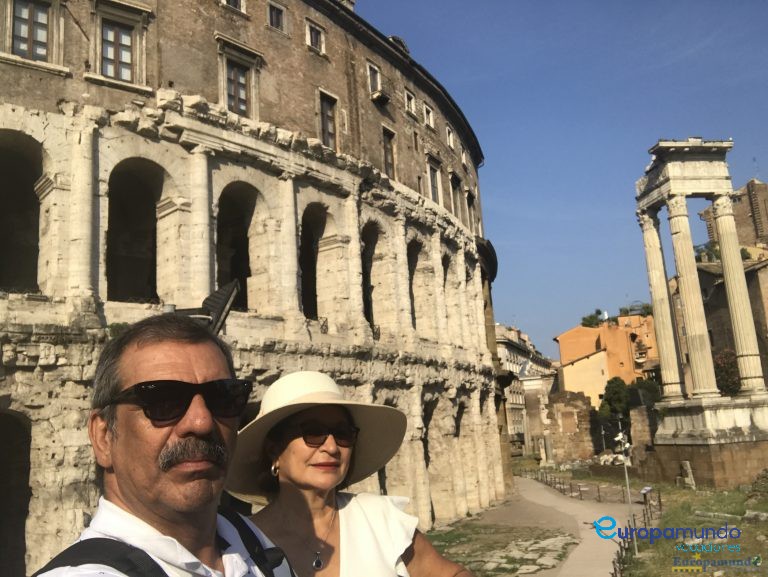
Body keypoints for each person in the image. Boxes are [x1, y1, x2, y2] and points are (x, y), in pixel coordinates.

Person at [35, 313, 294, 577]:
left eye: (222, 397)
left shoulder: (256, 545)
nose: (202, 422)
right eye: (163, 401)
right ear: (103, 436)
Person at [227, 371, 476, 577]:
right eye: (313, 432)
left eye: (343, 433)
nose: (332, 447)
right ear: (274, 451)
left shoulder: (379, 519)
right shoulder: (239, 546)